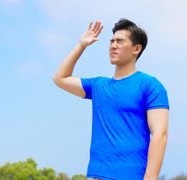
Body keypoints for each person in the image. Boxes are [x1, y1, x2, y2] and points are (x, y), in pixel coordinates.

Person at [53, 18, 169, 180]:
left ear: (136, 49)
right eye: (112, 41)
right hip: (95, 175)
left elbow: (160, 133)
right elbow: (60, 78)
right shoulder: (98, 86)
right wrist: (81, 45)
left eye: (120, 41)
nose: (113, 45)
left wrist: (151, 177)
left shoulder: (150, 85)